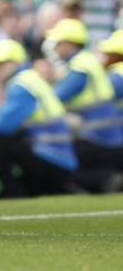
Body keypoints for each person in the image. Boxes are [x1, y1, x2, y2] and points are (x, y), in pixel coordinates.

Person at [0, 40, 77, 198]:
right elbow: (0, 116)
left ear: (15, 63)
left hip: (50, 158)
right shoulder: (29, 79)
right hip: (58, 158)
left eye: (0, 63)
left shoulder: (21, 86)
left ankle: (12, 189)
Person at [43, 18, 123, 192]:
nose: (54, 46)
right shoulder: (87, 61)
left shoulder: (81, 66)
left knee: (62, 175)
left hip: (95, 137)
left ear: (70, 44)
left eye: (58, 42)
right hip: (109, 136)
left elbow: (56, 97)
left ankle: (107, 181)